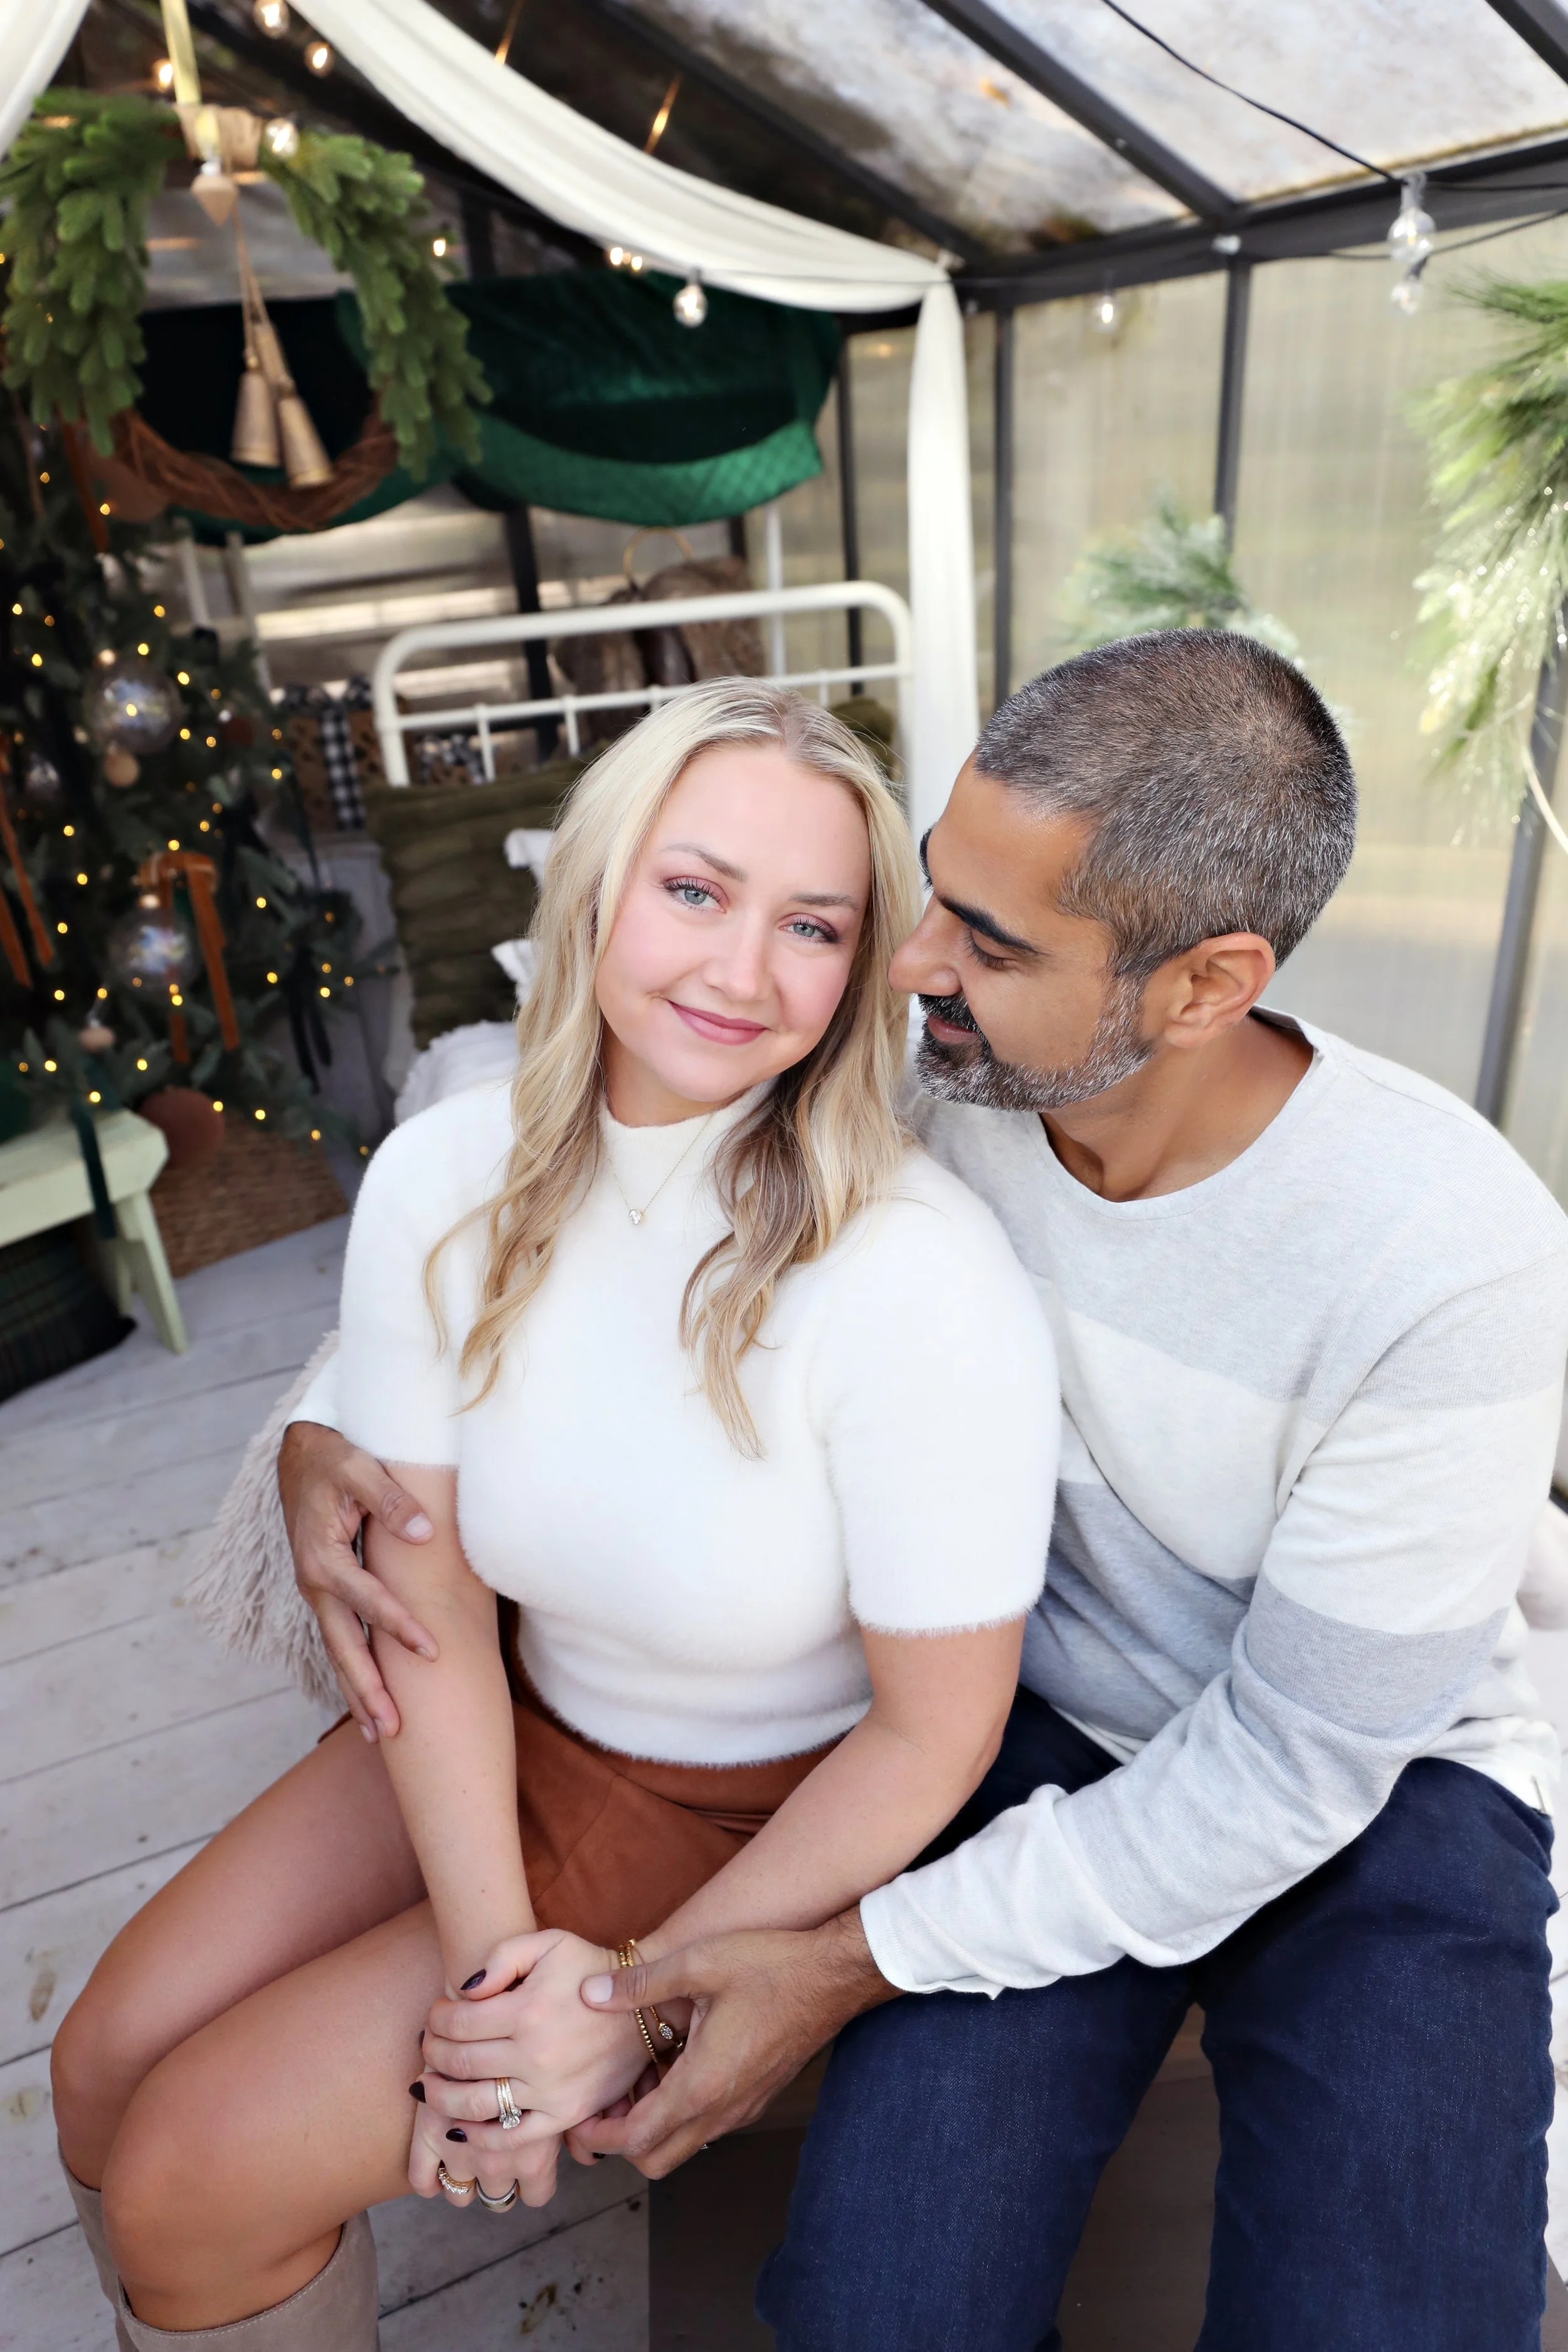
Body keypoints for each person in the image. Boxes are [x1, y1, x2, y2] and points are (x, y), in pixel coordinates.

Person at [282, 630, 1568, 2351]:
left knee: (1380, 2321)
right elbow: (587, 1185)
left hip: (1383, 1779)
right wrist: (325, 1417)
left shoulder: (1455, 1254)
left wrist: (849, 1958)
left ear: (1203, 983)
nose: (906, 963)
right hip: (1033, 1726)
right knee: (873, 2311)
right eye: (931, 896)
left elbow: (1285, 1771)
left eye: (987, 936)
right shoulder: (946, 1076)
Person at [49, 681, 1057, 2351]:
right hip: (504, 1718)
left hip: (758, 1819)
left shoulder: (914, 1274)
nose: (742, 971)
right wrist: (496, 1966)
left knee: (187, 2170)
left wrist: (619, 1996)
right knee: (97, 2065)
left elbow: (932, 1736)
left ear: (860, 965)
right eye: (693, 890)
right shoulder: (443, 1174)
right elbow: (430, 1613)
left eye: (812, 924)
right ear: (593, 888)